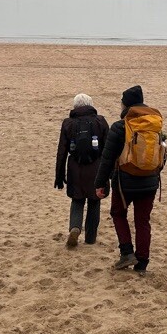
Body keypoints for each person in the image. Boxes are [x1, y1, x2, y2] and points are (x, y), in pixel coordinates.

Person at [94, 85, 164, 273]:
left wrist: (100, 183)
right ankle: (142, 262)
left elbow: (107, 159)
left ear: (126, 105)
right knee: (142, 221)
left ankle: (126, 253)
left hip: (124, 182)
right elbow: (162, 154)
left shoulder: (120, 126)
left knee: (118, 213)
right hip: (150, 181)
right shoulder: (155, 125)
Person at [55, 94, 109, 247]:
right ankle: (90, 238)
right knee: (94, 201)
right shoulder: (100, 121)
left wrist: (59, 176)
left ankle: (75, 227)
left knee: (77, 200)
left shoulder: (68, 123)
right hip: (96, 168)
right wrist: (110, 173)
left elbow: (62, 151)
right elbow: (108, 149)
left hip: (75, 168)